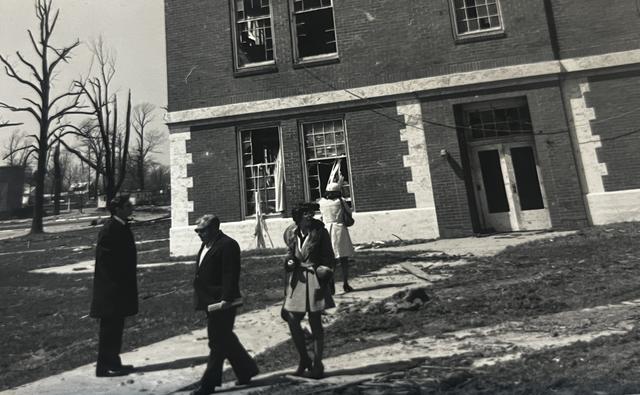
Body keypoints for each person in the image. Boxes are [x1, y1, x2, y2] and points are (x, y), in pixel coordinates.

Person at [191, 214, 259, 395]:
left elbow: (230, 273)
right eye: (197, 231)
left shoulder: (227, 245)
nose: (199, 234)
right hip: (209, 301)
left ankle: (208, 384)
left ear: (214, 228)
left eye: (203, 230)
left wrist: (226, 298)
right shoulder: (207, 244)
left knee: (217, 342)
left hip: (223, 302)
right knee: (226, 338)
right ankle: (246, 370)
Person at [282, 202, 336, 379]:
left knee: (315, 321)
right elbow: (290, 254)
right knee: (291, 317)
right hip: (296, 279)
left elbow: (329, 258)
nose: (309, 215)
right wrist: (289, 261)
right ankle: (304, 359)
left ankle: (318, 364)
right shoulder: (292, 233)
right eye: (305, 213)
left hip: (315, 278)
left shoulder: (320, 233)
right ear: (298, 216)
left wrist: (326, 274)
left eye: (311, 212)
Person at [89, 195, 138, 377]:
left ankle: (114, 363)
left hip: (119, 287)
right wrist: (118, 281)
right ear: (117, 209)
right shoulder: (110, 229)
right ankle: (103, 367)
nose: (131, 208)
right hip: (111, 289)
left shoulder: (121, 226)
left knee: (116, 329)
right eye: (127, 206)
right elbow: (106, 261)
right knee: (109, 330)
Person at [319, 182, 355, 293]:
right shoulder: (340, 201)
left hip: (327, 230)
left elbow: (321, 216)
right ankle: (345, 283)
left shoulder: (321, 202)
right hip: (339, 229)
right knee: (343, 258)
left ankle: (331, 283)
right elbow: (349, 213)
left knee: (330, 259)